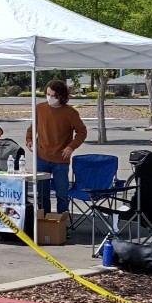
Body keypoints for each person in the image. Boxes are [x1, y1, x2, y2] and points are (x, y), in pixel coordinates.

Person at [26, 78, 88, 213]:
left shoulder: (70, 112)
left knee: (62, 195)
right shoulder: (40, 108)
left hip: (60, 160)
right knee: (42, 195)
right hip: (41, 157)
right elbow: (32, 127)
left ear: (61, 96)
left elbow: (82, 131)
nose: (49, 98)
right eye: (47, 94)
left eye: (53, 96)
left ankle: (61, 227)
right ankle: (45, 223)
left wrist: (71, 146)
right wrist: (29, 139)